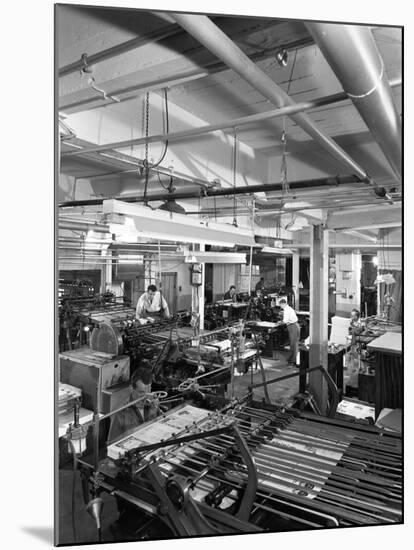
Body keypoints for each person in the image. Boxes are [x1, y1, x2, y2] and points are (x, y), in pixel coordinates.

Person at [279, 298, 300, 367]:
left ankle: (293, 361)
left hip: (293, 327)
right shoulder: (289, 308)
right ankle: (292, 359)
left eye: (280, 305)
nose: (280, 307)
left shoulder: (287, 310)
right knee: (293, 344)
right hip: (294, 326)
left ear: (283, 304)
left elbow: (285, 321)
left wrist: (279, 323)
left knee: (294, 344)